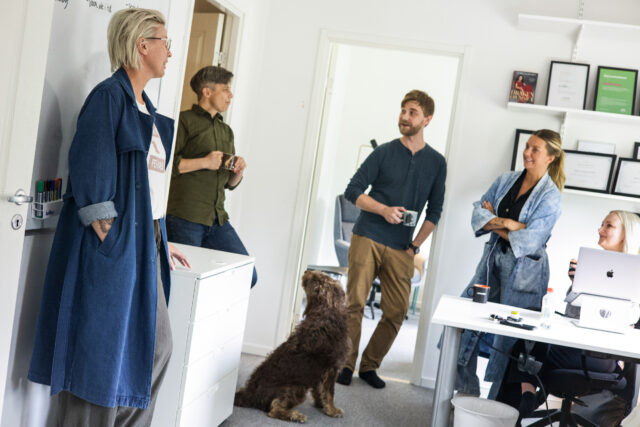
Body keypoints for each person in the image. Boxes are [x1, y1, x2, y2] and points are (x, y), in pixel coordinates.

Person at [27, 8, 190, 426]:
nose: (170, 53)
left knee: (154, 347)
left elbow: (148, 189)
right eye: (166, 43)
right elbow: (93, 181)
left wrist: (160, 238)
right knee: (100, 355)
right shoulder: (108, 98)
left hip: (146, 242)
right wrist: (116, 242)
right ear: (142, 45)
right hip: (116, 247)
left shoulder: (145, 108)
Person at [336, 90, 447, 389]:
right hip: (368, 236)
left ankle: (369, 366)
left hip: (402, 247)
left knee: (397, 310)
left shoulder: (437, 163)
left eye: (412, 112)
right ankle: (345, 364)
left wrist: (415, 245)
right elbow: (353, 191)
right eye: (403, 110)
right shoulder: (383, 152)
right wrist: (383, 210)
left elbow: (435, 211)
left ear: (427, 119)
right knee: (355, 304)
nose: (404, 117)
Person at [499, 210, 640, 425]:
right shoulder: (592, 266)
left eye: (608, 226)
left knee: (524, 351)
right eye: (601, 224)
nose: (600, 229)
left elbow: (622, 318)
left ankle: (521, 405)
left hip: (598, 357)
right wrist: (577, 285)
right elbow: (572, 317)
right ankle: (524, 400)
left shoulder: (634, 275)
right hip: (582, 352)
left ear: (625, 234)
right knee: (529, 335)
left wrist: (585, 288)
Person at [455, 129, 565, 399]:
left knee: (510, 340)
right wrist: (511, 224)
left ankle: (495, 407)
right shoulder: (506, 180)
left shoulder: (551, 196)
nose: (527, 153)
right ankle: (467, 394)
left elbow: (531, 240)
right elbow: (477, 214)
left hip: (527, 271)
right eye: (527, 146)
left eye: (535, 149)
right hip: (492, 259)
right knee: (464, 322)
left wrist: (495, 221)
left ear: (550, 157)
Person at [165, 65, 257, 287]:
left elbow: (229, 184)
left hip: (217, 220)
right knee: (183, 283)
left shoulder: (226, 131)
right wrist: (204, 162)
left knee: (248, 276)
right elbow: (166, 165)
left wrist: (238, 172)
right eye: (225, 89)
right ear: (207, 92)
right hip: (185, 219)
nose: (230, 95)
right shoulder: (183, 121)